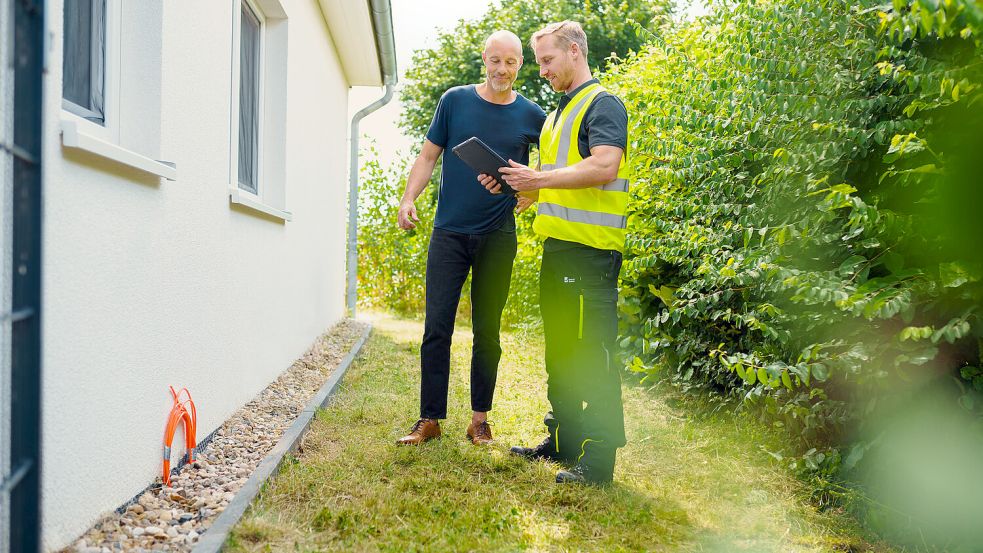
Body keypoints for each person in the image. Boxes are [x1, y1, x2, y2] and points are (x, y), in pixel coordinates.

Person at [479, 21, 631, 483]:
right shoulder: (557, 115)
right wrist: (517, 188)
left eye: (546, 60)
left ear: (573, 51)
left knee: (592, 355)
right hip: (560, 250)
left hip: (591, 255)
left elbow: (605, 165)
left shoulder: (603, 104)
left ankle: (600, 458)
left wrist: (538, 179)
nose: (541, 70)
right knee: (562, 352)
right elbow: (559, 185)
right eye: (540, 61)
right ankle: (564, 439)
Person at [395, 30, 546, 446]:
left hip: (498, 236)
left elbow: (544, 176)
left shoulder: (532, 115)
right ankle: (429, 418)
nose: (502, 70)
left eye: (511, 62)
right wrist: (409, 199)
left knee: (488, 330)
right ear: (484, 59)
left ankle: (479, 419)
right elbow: (428, 157)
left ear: (520, 65)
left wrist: (528, 195)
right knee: (436, 326)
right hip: (449, 233)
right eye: (496, 61)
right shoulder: (455, 101)